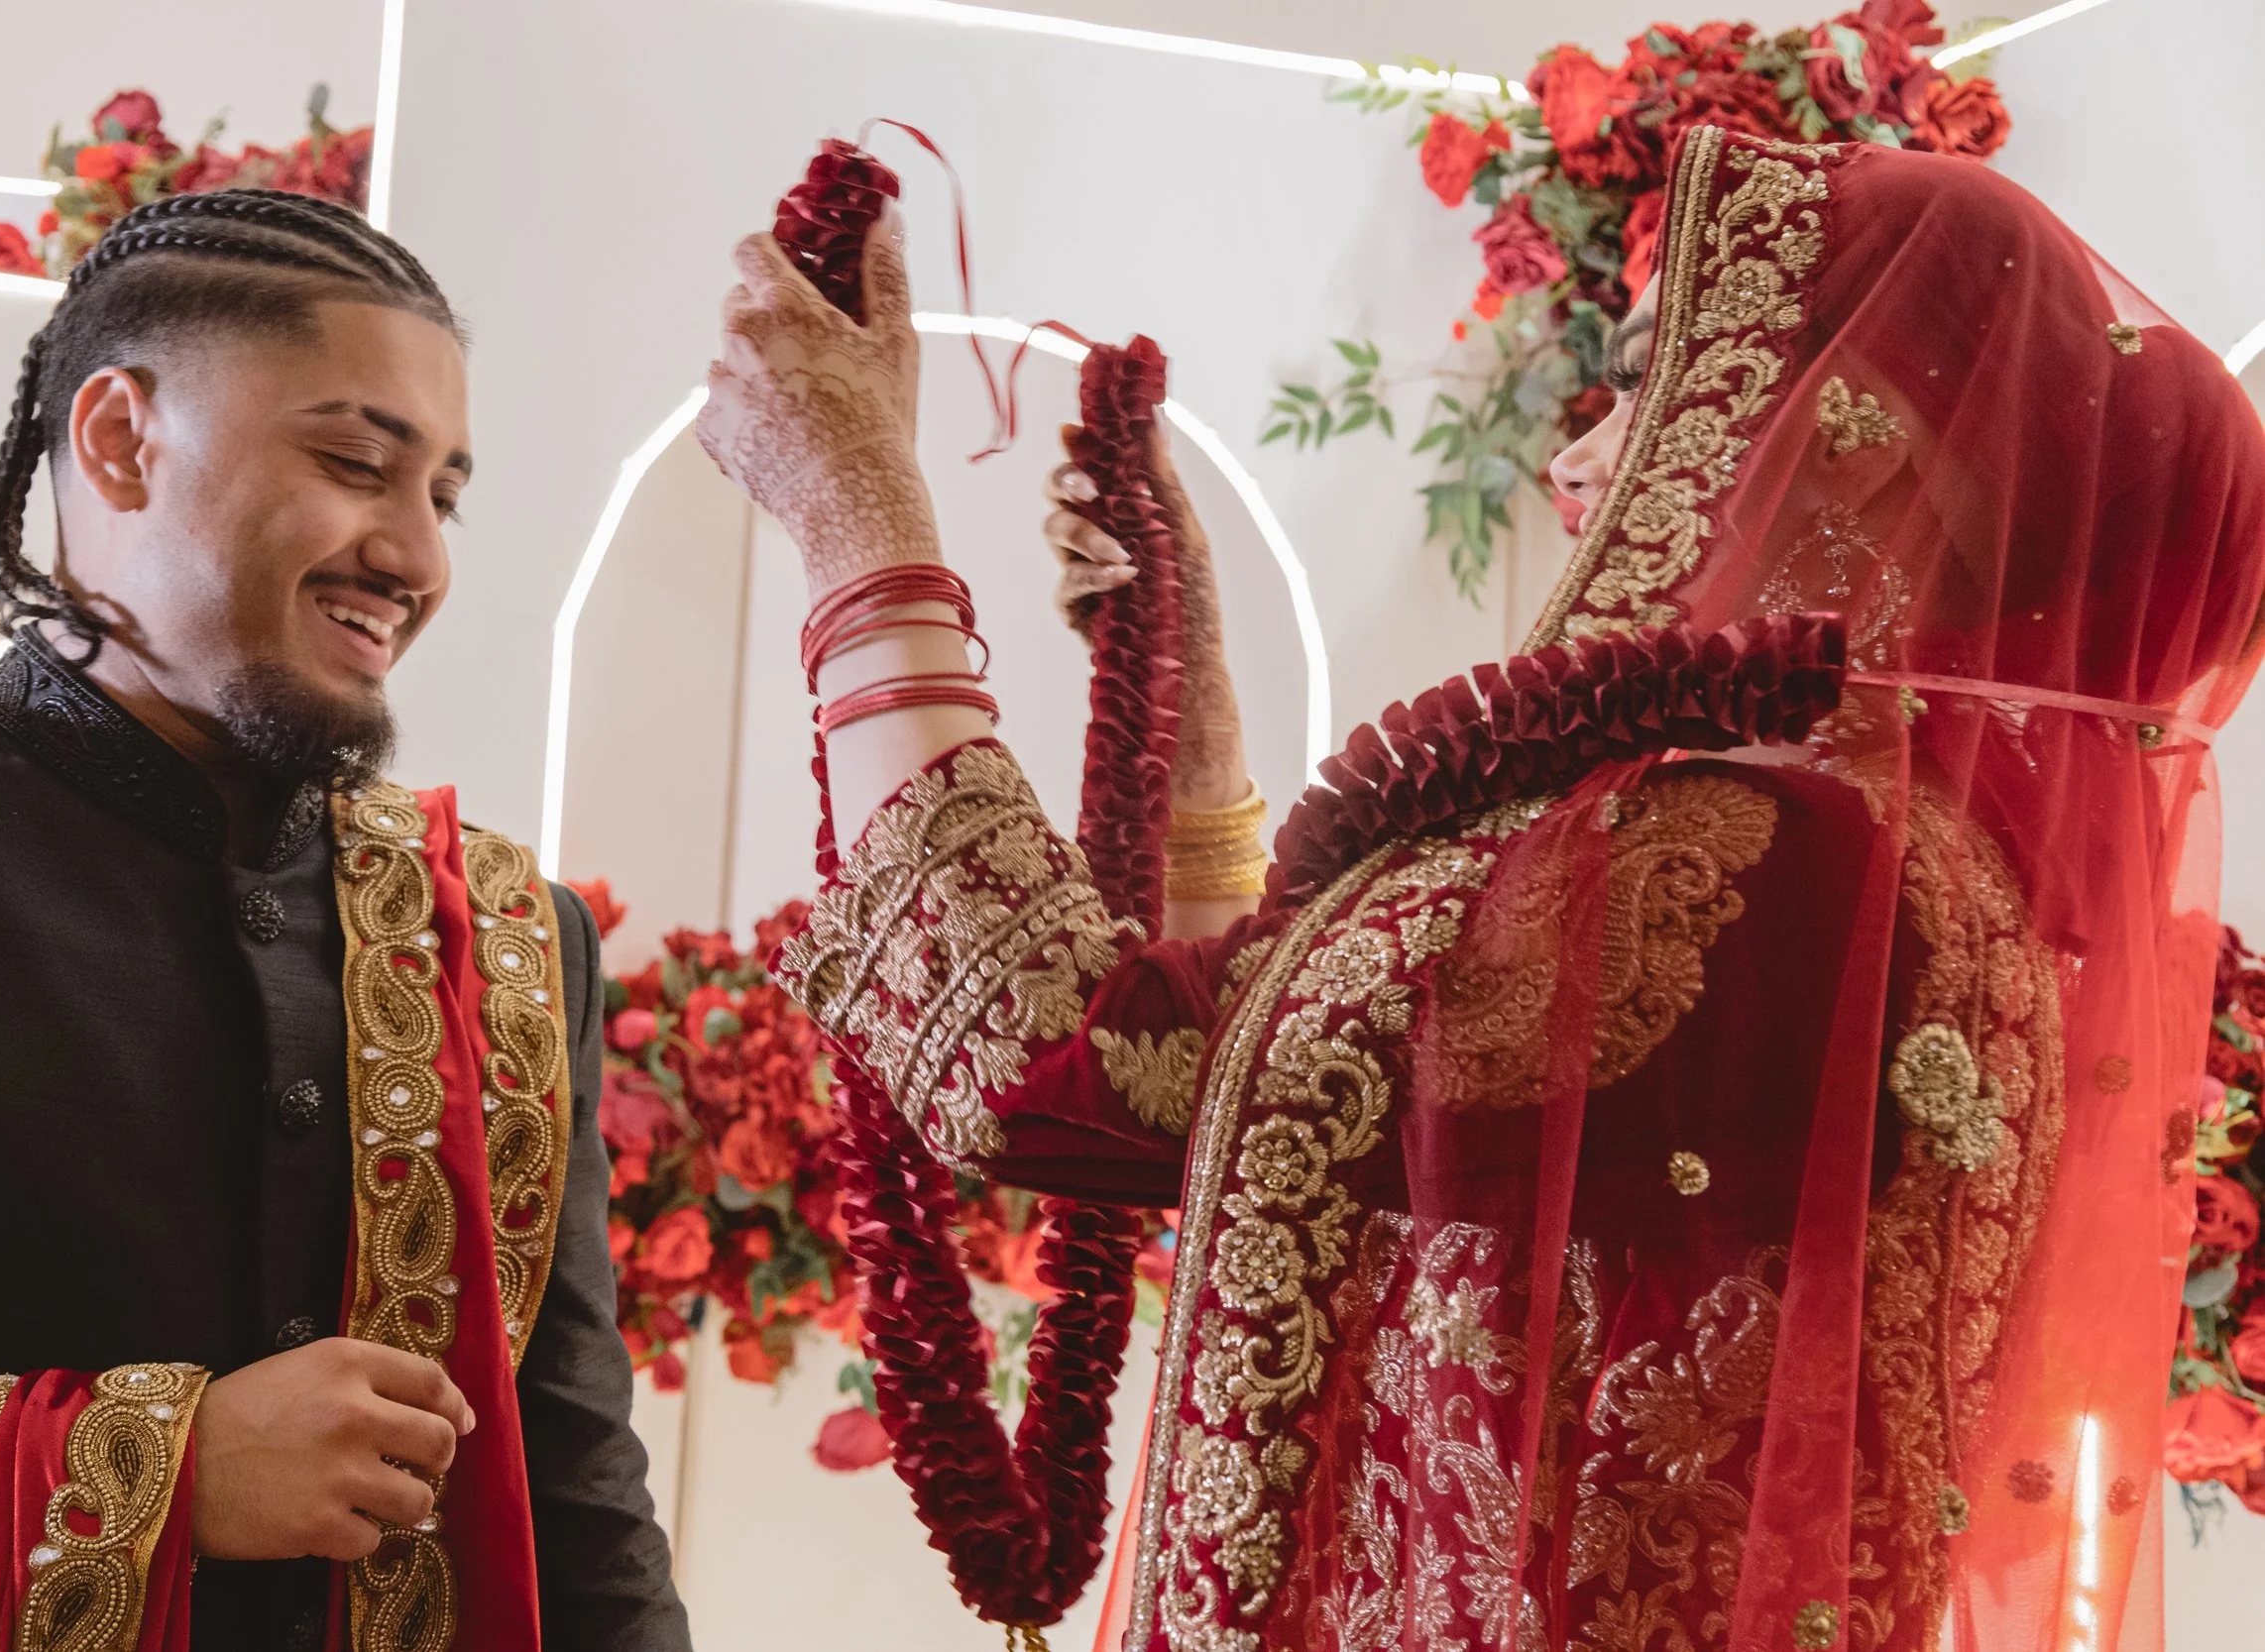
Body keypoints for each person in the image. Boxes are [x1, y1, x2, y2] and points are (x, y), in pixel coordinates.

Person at [698, 124, 2265, 1651]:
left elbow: (1057, 1058)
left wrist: (860, 532)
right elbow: (1284, 1103)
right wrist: (1203, 717)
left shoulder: (1765, 870)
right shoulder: (1883, 864)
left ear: (1879, 466)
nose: (1585, 468)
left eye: (1664, 386)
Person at [0, 190, 689, 1652]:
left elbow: (574, 1496)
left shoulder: (511, 939)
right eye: (354, 463)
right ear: (119, 440)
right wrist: (160, 1469)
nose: (419, 558)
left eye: (443, 495)